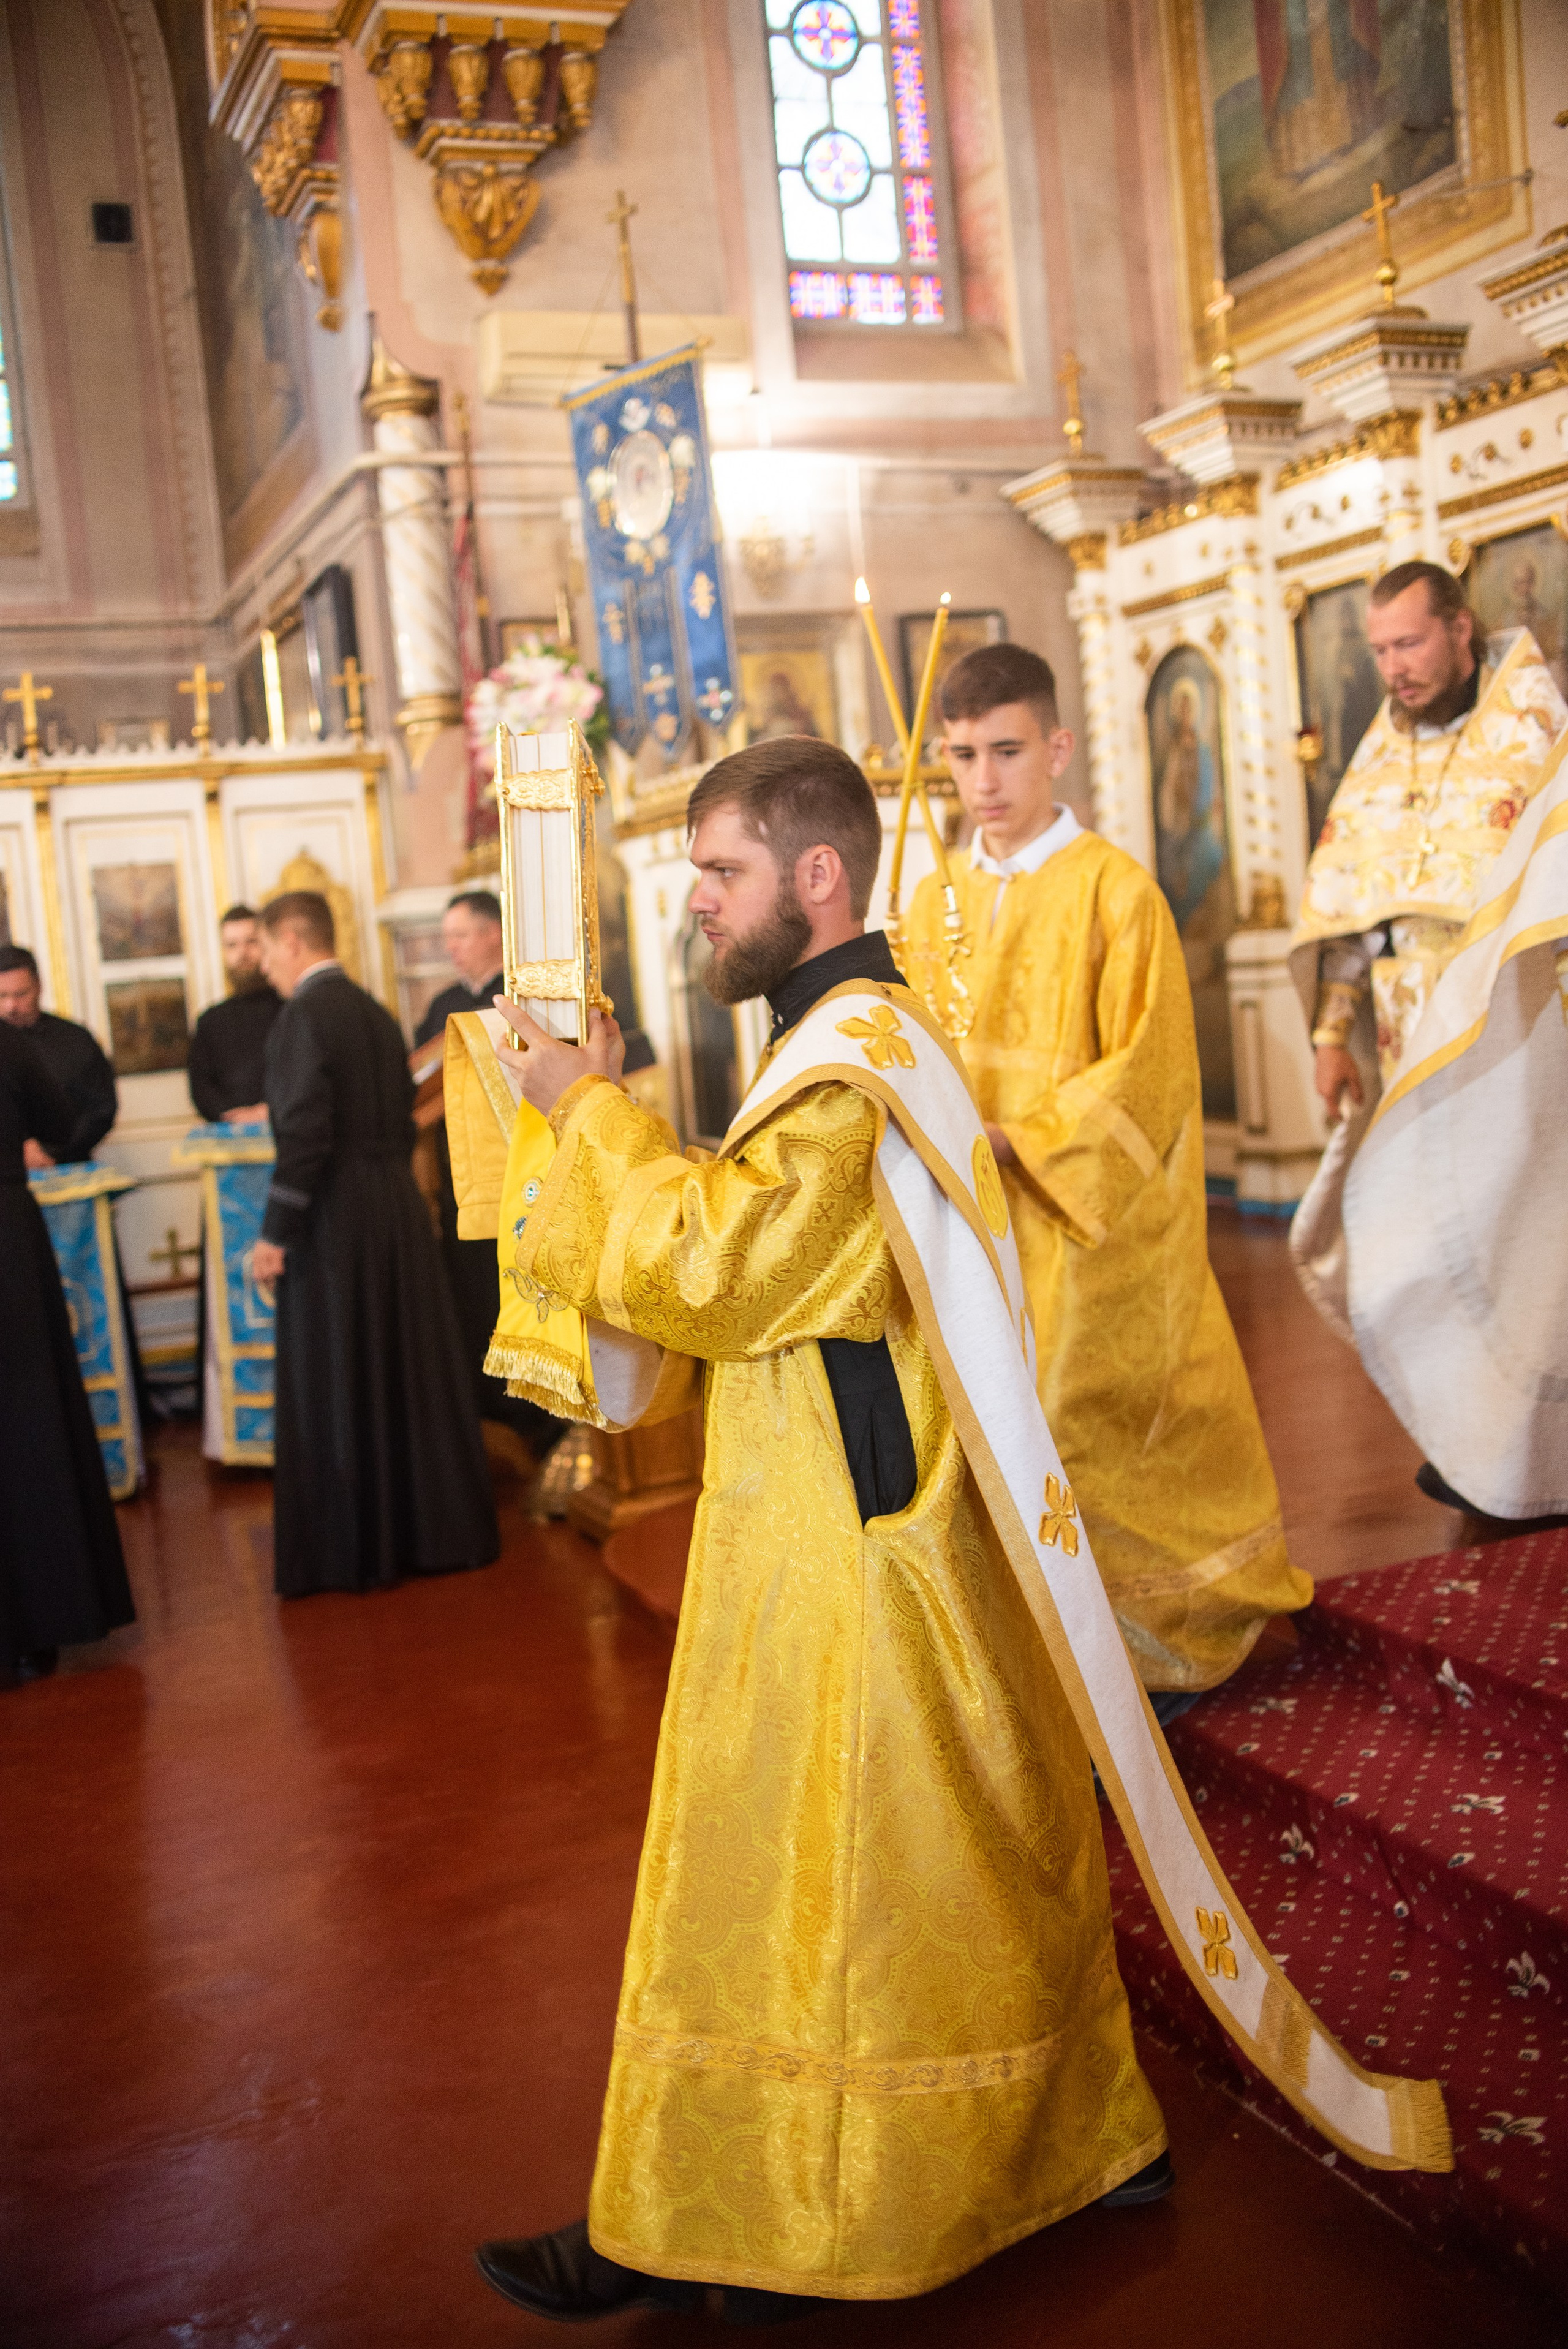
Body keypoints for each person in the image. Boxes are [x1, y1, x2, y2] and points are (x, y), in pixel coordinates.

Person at [467, 739, 1444, 2326]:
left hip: (861, 1560)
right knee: (965, 1862)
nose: (699, 904)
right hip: (848, 1521)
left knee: (837, 1889)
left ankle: (794, 2218)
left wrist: (583, 1111)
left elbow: (718, 1270)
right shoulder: (846, 1038)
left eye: (720, 873)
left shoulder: (853, 1064)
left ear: (818, 878)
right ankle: (1064, 2144)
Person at [903, 644, 1308, 1711]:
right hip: (974, 1229)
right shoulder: (930, 900)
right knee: (988, 1433)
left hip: (1087, 1224)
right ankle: (1038, 1673)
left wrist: (1019, 1139)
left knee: (1085, 1426)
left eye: (1006, 751)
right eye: (961, 757)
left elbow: (1152, 1069)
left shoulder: (1117, 892)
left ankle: (1146, 1655)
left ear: (1058, 749)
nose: (983, 780)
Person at [1289, 559, 1568, 1522]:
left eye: (1408, 643)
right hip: (1414, 1052)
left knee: (1527, 1251)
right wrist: (1333, 1035)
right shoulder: (1380, 753)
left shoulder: (1534, 727)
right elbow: (1356, 920)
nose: (1393, 668)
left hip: (1515, 1040)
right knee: (1439, 1249)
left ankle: (1539, 1459)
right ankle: (1468, 1443)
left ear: (1459, 627)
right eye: (1378, 650)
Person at [253, 891, 499, 1597]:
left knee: (343, 1368)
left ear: (294, 943)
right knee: (400, 1368)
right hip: (392, 1209)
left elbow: (303, 1132)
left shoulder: (303, 1016)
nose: (267, 966)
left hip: (336, 1216)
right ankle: (431, 1534)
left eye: (269, 951)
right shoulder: (373, 1010)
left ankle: (356, 1550)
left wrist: (276, 1232)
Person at [0, 1019, 135, 1684]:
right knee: (31, 1427)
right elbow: (58, 1117)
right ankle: (44, 1626)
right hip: (9, 1242)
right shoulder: (8, 1040)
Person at [413, 891, 562, 1462]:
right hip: (460, 1180)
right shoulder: (443, 1004)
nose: (450, 947)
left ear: (494, 935)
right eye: (447, 936)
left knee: (522, 1289)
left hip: (521, 1172)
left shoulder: (526, 998)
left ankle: (539, 1416)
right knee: (471, 1294)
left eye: (460, 935)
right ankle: (487, 1403)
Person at [0, 945, 118, 1164]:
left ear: (39, 987)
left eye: (20, 995)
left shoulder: (74, 1039)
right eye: (2, 996)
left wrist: (50, 1152)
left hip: (68, 1164)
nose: (10, 1007)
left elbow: (102, 1108)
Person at [186, 906, 281, 1124]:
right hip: (231, 1138)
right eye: (232, 945)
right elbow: (201, 1088)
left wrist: (271, 1111)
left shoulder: (293, 1009)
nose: (242, 953)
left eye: (251, 942)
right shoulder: (210, 1021)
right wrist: (234, 1115)